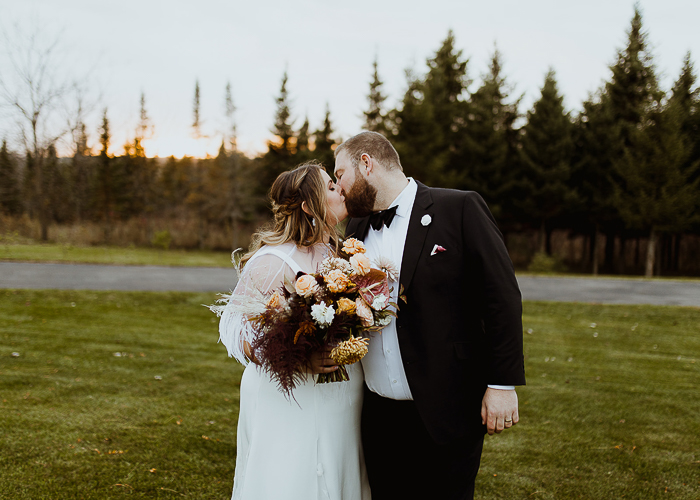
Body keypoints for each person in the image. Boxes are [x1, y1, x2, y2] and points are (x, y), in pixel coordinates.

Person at [333, 131, 525, 500]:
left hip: (447, 408)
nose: (339, 188)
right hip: (378, 415)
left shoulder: (460, 208)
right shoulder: (356, 229)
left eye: (340, 175)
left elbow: (501, 297)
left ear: (366, 163)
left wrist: (502, 385)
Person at [214, 162, 370, 500]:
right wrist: (296, 358)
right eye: (330, 187)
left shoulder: (341, 252)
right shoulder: (275, 261)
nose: (340, 189)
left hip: (341, 397)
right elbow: (234, 326)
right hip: (294, 398)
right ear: (307, 204)